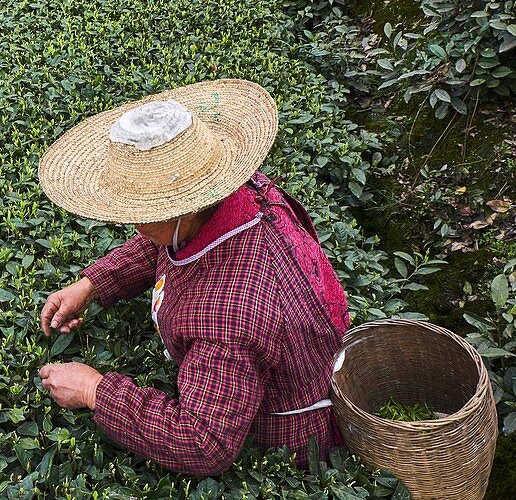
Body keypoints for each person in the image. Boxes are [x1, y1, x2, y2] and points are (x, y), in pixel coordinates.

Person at [36, 79, 350, 477]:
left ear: (183, 206)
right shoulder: (231, 197)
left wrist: (93, 391)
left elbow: (201, 444)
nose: (132, 223)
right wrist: (92, 285)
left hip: (278, 441)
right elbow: (167, 242)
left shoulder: (233, 310)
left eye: (141, 211)